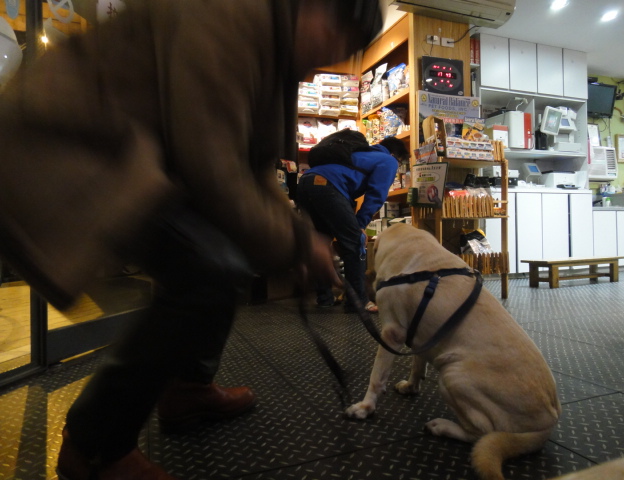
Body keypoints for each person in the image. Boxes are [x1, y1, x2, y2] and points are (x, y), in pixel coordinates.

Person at [0, 1, 384, 479]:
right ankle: (94, 445)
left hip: (140, 159)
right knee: (209, 265)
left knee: (224, 256)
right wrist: (295, 243)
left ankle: (186, 390)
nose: (330, 56)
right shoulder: (228, 15)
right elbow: (213, 167)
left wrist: (297, 237)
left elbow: (254, 167)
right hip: (67, 144)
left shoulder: (276, 53)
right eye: (336, 38)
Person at [296, 135, 409, 313]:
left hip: (305, 182)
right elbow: (376, 196)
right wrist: (360, 225)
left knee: (321, 242)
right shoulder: (388, 160)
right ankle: (358, 301)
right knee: (355, 242)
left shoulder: (360, 153)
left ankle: (325, 298)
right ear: (396, 155)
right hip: (328, 187)